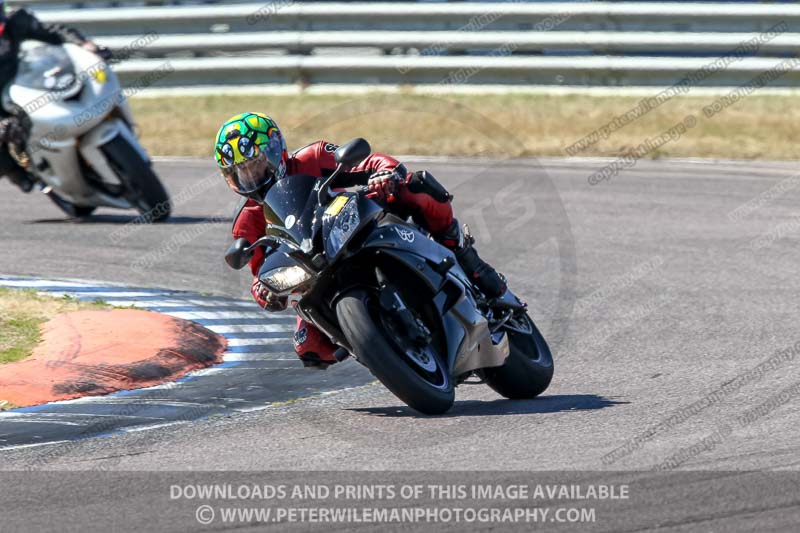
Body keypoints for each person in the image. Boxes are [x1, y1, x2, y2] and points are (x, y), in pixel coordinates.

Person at [215, 112, 506, 368]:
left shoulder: (312, 158)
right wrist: (265, 292)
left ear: (275, 150)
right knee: (310, 347)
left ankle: (463, 253)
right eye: (241, 172)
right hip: (314, 272)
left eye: (256, 164)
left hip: (352, 229)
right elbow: (260, 272)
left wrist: (384, 172)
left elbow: (369, 160)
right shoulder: (247, 224)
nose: (251, 176)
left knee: (413, 187)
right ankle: (379, 347)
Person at [0, 1, 106, 192]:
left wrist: (84, 44)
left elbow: (54, 31)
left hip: (26, 83)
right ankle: (19, 175)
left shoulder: (16, 22)